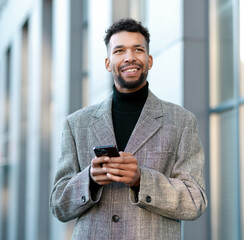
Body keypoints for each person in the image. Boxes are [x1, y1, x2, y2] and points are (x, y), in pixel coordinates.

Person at [49, 18, 207, 240]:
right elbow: (58, 205)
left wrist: (142, 179)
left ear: (149, 60)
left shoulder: (182, 121)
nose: (129, 57)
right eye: (119, 50)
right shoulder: (76, 124)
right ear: (107, 62)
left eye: (138, 49)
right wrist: (90, 180)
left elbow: (195, 201)